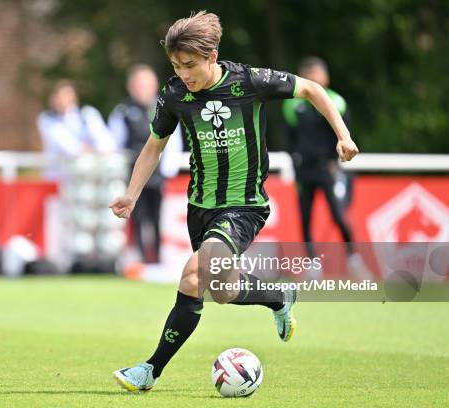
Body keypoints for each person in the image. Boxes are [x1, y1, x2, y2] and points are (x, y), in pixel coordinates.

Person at [109, 11, 358, 391]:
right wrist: (131, 193)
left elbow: (311, 89)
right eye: (176, 66)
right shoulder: (174, 94)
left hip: (243, 207)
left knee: (194, 274)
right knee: (222, 290)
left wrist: (342, 136)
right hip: (200, 208)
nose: (183, 74)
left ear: (212, 56)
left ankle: (149, 370)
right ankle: (279, 296)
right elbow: (153, 147)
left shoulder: (250, 81)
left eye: (190, 65)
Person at [282, 57, 365, 279]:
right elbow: (290, 139)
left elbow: (345, 136)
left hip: (328, 170)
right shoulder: (292, 104)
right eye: (307, 76)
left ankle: (354, 258)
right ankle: (311, 264)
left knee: (339, 215)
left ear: (325, 76)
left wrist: (334, 162)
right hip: (303, 170)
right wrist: (294, 161)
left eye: (316, 74)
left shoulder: (337, 103)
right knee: (305, 217)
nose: (312, 80)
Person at [109, 65, 182, 263]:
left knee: (157, 217)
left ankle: (157, 258)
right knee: (137, 217)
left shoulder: (164, 106)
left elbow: (174, 142)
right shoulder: (123, 111)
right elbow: (114, 144)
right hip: (132, 174)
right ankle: (140, 259)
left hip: (157, 174)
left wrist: (168, 171)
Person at [36, 80, 115, 181]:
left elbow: (106, 142)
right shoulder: (47, 119)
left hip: (86, 176)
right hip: (58, 178)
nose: (63, 100)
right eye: (59, 97)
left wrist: (95, 149)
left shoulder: (87, 114)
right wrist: (91, 149)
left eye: (67, 96)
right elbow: (70, 148)